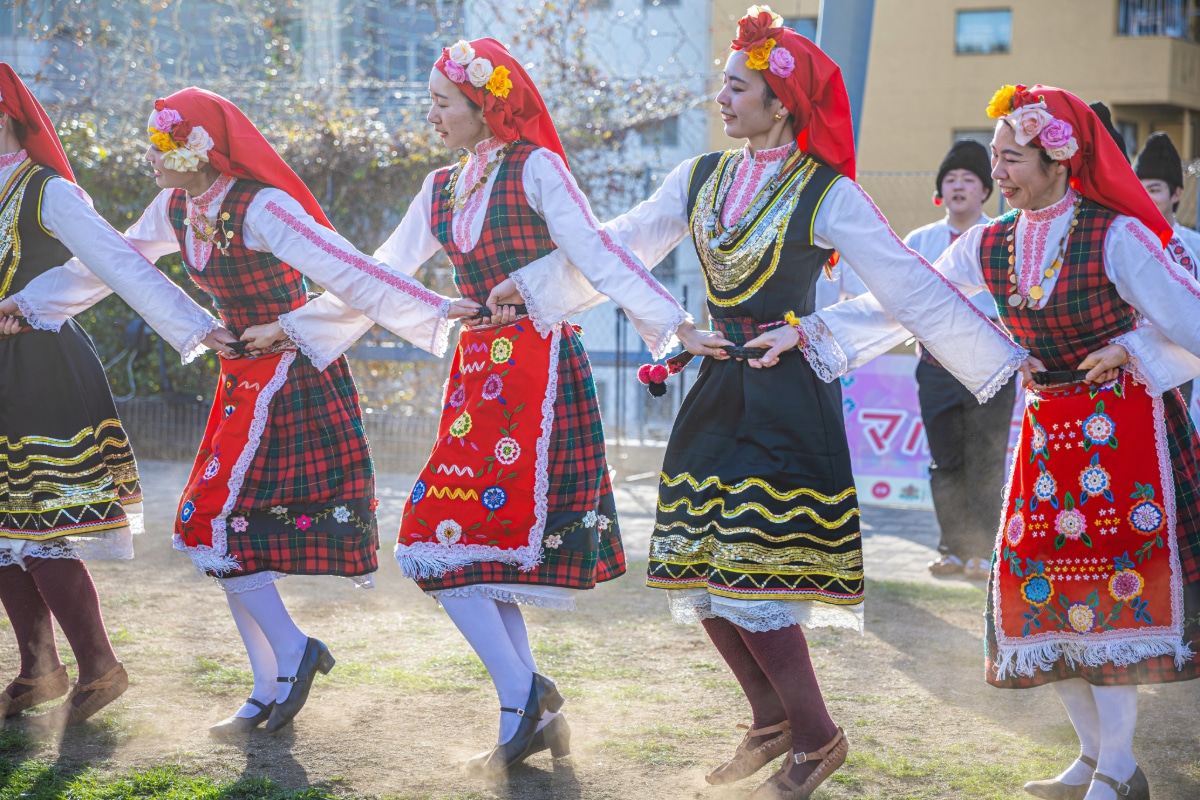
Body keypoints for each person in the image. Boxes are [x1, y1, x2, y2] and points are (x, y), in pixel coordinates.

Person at [496, 9, 1028, 798]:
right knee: (696, 565)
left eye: (736, 86)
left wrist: (817, 330)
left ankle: (817, 739)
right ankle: (771, 720)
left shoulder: (828, 191)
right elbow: (621, 243)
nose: (721, 96)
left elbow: (906, 284)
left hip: (786, 392)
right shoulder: (700, 176)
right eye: (723, 83)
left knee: (754, 571)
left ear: (780, 103)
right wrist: (536, 285)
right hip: (718, 382)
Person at [246, 37, 694, 772]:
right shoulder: (441, 187)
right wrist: (294, 326)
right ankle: (529, 700)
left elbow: (597, 254)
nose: (431, 115)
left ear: (484, 105)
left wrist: (672, 326)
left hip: (537, 375)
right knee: (464, 549)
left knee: (437, 539)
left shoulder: (537, 167)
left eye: (442, 102)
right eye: (430, 102)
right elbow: (379, 272)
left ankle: (525, 701)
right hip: (474, 375)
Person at [3, 87, 478, 738]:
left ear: (199, 151)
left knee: (212, 522)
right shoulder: (178, 205)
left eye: (162, 143)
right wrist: (31, 304)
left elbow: (346, 269)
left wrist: (421, 306)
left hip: (292, 375)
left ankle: (292, 654)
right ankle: (267, 688)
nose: (149, 155)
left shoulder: (262, 207)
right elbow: (114, 263)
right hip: (242, 377)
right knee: (220, 531)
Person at [919, 84, 1199, 800]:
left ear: (1059, 162)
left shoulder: (1117, 234)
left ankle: (1120, 769)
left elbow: (1192, 321)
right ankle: (1094, 758)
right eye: (995, 158)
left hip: (1127, 440)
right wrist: (812, 332)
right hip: (1047, 441)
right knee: (1043, 595)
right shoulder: (991, 241)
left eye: (1011, 160)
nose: (997, 174)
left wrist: (1133, 345)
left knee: (1111, 600)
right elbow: (915, 296)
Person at [0, 66, 229, 728]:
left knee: (42, 527)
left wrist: (195, 326)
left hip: (41, 370)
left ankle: (99, 665)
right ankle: (38, 668)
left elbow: (117, 260)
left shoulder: (50, 192)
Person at [904, 139, 1015, 581]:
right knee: (945, 460)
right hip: (935, 367)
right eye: (950, 179)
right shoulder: (920, 240)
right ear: (940, 189)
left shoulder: (1002, 237)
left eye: (969, 178)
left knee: (986, 460)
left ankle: (984, 553)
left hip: (990, 367)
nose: (959, 186)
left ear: (985, 190)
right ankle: (951, 549)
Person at [1134, 131, 1200, 408]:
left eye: (1155, 189)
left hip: (1186, 362)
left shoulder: (1194, 245)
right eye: (1140, 189)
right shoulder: (1127, 241)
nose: (1146, 198)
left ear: (1176, 194)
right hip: (1135, 361)